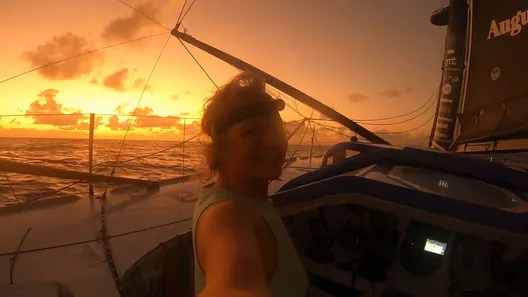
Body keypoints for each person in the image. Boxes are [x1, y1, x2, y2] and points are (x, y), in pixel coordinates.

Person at [192, 72, 309, 297]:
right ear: (220, 149)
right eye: (251, 132)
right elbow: (232, 285)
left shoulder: (240, 198)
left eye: (277, 130)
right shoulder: (226, 216)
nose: (273, 142)